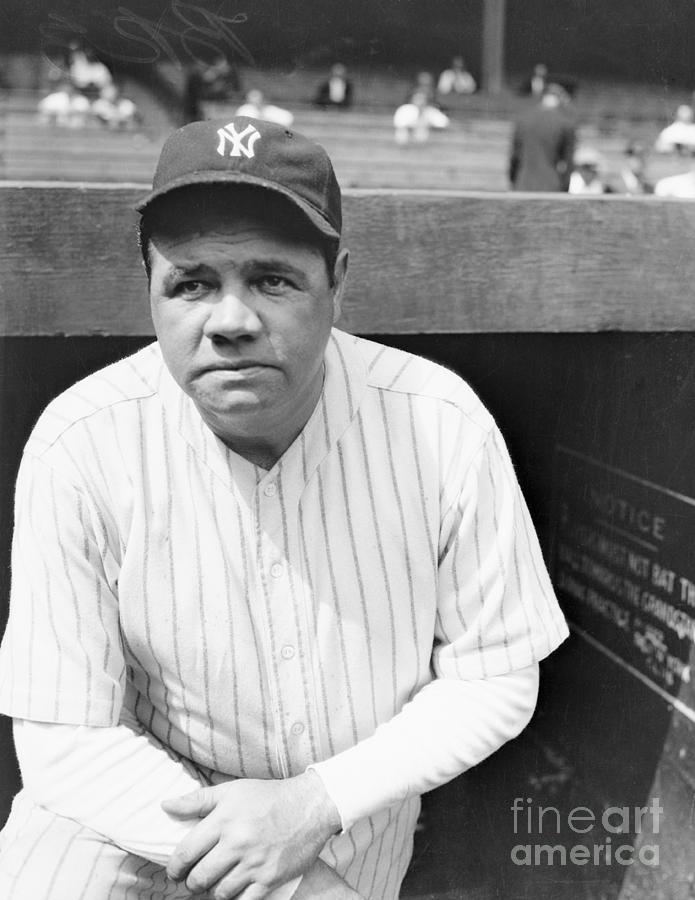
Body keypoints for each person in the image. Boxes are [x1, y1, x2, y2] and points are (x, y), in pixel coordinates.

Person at [0, 115, 569, 899]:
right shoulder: (82, 439)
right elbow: (66, 736)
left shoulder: (440, 422)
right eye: (192, 283)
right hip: (122, 811)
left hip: (346, 815)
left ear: (338, 278)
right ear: (150, 290)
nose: (230, 321)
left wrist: (312, 808)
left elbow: (496, 678)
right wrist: (287, 882)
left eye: (272, 279)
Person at [509, 82, 576, 191]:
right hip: (551, 186)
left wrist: (514, 182)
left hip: (522, 184)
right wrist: (565, 188)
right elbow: (569, 163)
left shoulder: (523, 120)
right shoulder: (566, 123)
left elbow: (514, 158)